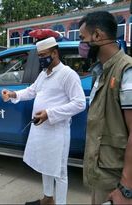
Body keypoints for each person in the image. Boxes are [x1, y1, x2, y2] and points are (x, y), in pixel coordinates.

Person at [1, 37, 86, 205]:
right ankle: (48, 198)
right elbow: (32, 91)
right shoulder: (44, 74)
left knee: (60, 172)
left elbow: (79, 103)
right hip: (41, 129)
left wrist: (49, 113)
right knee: (45, 165)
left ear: (55, 53)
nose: (41, 59)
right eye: (39, 56)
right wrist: (12, 94)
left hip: (57, 131)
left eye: (44, 55)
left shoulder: (68, 74)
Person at [79, 11, 132, 204]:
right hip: (102, 175)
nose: (81, 45)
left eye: (83, 38)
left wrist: (126, 189)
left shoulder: (126, 71)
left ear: (98, 36)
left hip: (117, 181)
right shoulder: (101, 71)